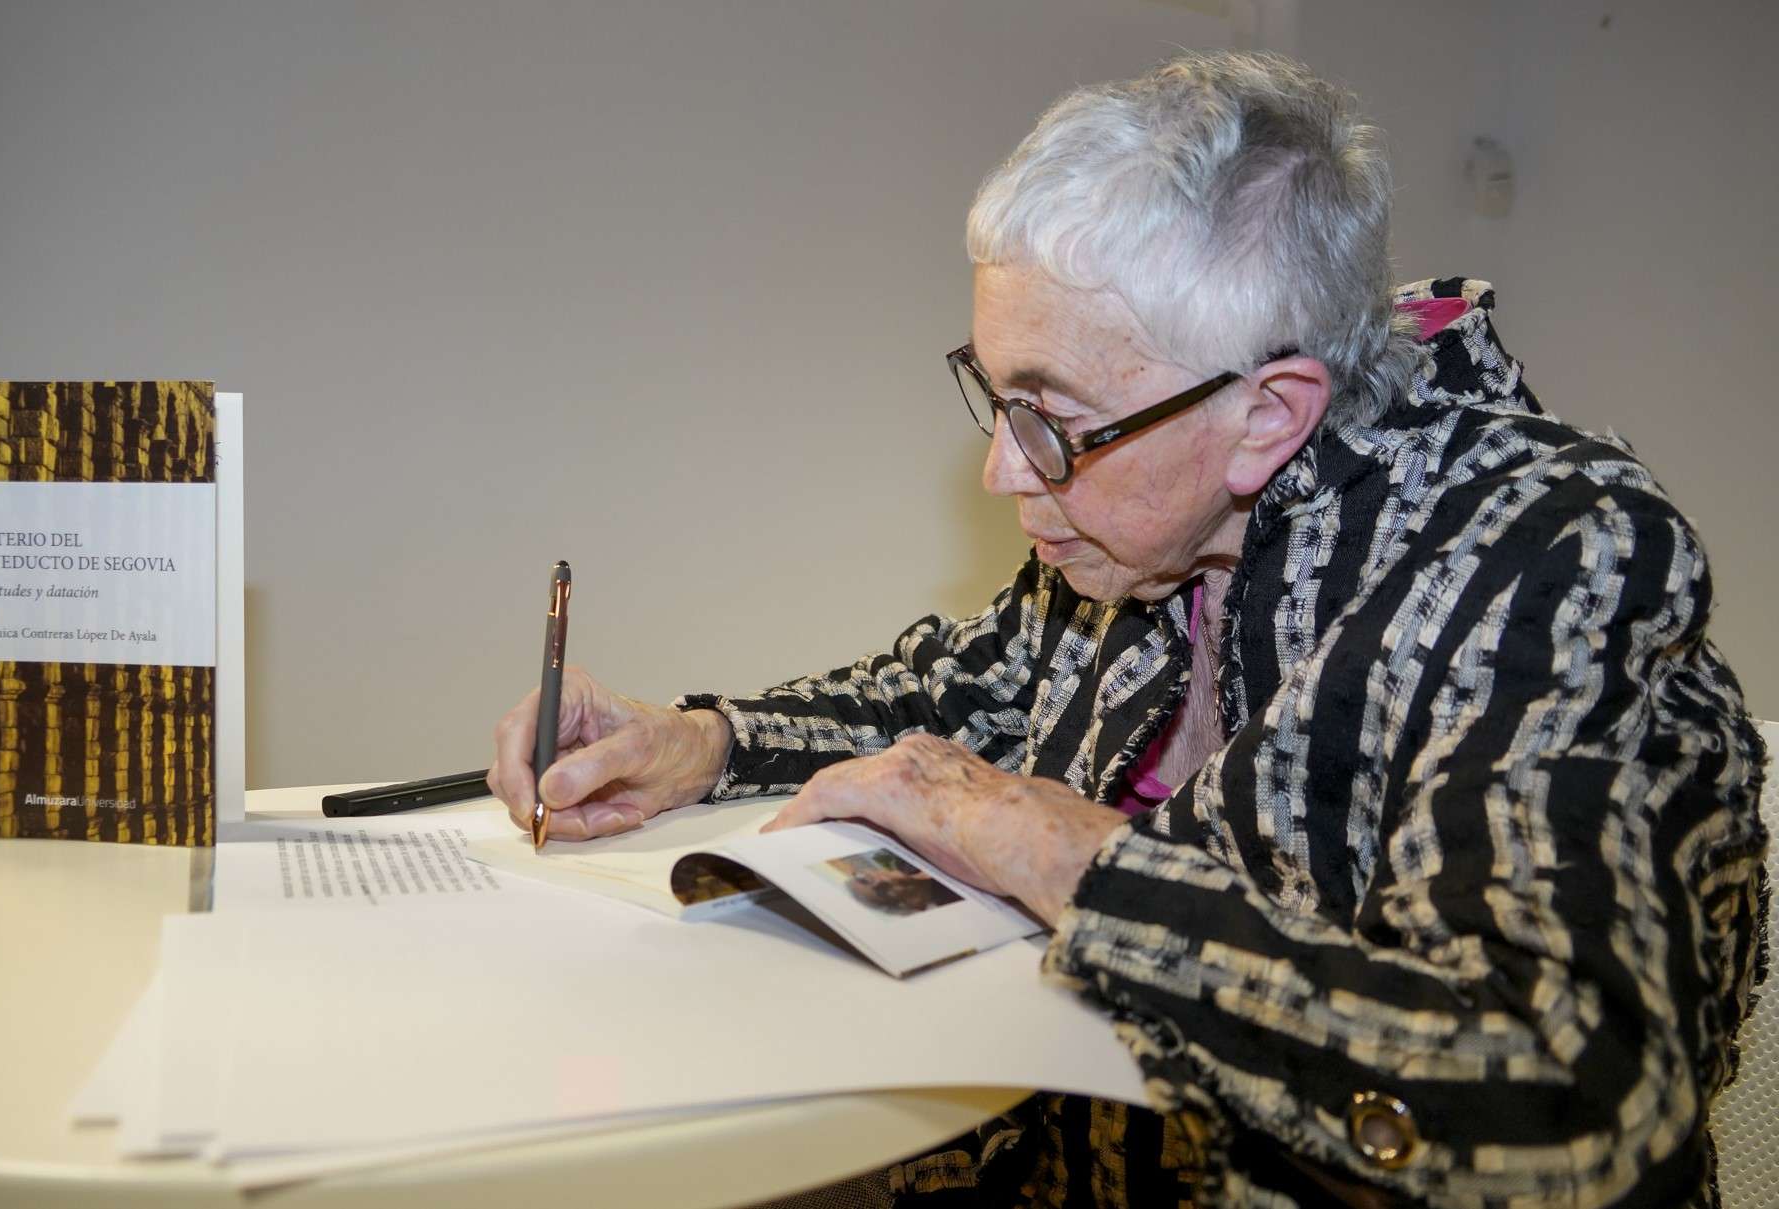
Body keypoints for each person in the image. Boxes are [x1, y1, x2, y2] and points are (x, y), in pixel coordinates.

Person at [487, 51, 1767, 1208]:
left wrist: (1070, 856)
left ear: (1269, 415)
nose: (1002, 472)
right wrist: (695, 741)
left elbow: (1566, 1106)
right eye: (995, 396)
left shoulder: (1548, 554)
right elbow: (958, 689)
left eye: (1052, 415)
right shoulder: (1140, 533)